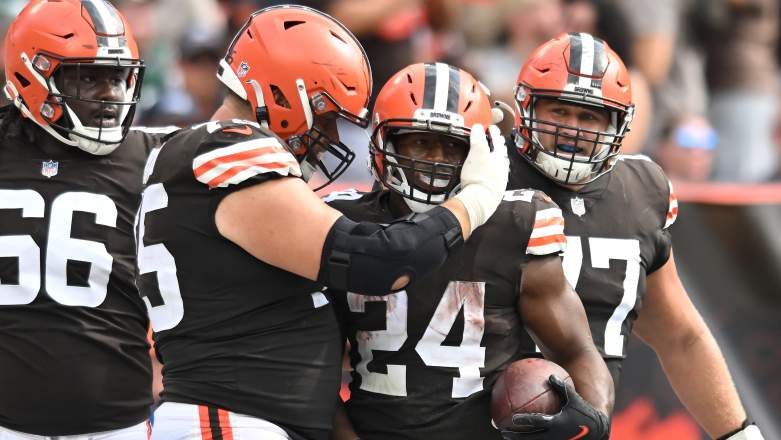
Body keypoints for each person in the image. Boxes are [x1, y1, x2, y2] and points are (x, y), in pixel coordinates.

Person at [136, 5, 508, 440]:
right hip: (230, 419)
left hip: (241, 416)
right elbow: (380, 262)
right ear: (284, 93)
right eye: (329, 117)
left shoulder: (196, 154)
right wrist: (477, 198)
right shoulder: (231, 151)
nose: (330, 137)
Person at [324, 62, 614, 440]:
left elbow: (576, 351)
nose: (436, 160)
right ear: (386, 143)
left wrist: (592, 422)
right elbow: (310, 375)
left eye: (453, 145)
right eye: (420, 141)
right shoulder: (345, 222)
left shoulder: (517, 223)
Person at [507, 32, 765, 440]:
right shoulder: (484, 182)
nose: (574, 128)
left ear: (618, 124)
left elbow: (679, 335)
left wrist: (738, 434)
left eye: (590, 116)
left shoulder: (639, 191)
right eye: (560, 110)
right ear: (527, 107)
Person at [0, 0, 171, 438]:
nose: (109, 94)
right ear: (29, 73)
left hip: (117, 419)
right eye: (87, 76)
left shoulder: (156, 157)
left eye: (117, 77)